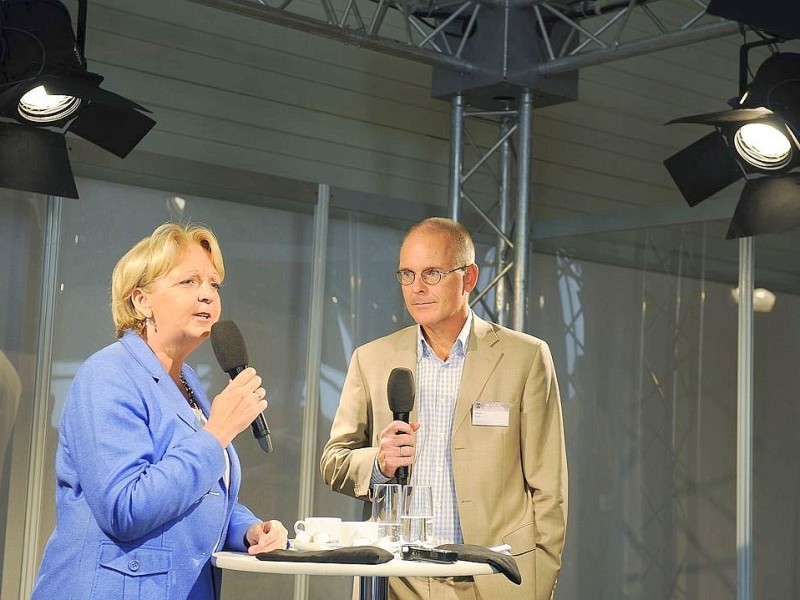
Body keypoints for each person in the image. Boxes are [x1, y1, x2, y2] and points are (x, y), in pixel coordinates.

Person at [32, 222, 288, 600]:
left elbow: (197, 491)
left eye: (213, 284)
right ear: (141, 300)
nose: (207, 296)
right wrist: (216, 433)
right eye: (189, 282)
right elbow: (125, 507)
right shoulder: (109, 374)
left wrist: (247, 529)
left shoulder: (187, 383)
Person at [320, 217, 568, 600]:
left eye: (432, 273)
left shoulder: (526, 357)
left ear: (468, 278)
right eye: (406, 274)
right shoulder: (372, 358)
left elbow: (548, 488)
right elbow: (335, 461)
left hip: (490, 576)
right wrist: (379, 464)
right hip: (396, 578)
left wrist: (540, 580)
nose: (416, 288)